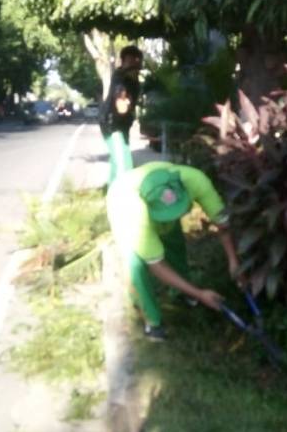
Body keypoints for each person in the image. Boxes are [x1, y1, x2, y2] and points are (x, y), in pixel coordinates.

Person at [106, 161, 242, 341]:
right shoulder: (132, 213)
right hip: (122, 200)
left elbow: (223, 224)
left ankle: (183, 291)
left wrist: (234, 262)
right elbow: (157, 265)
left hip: (156, 201)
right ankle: (152, 321)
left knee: (174, 242)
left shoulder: (196, 180)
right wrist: (200, 294)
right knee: (135, 264)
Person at [99, 45, 143, 185]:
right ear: (123, 62)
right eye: (130, 61)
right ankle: (120, 192)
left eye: (137, 61)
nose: (135, 64)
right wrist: (123, 99)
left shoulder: (135, 81)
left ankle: (112, 189)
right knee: (123, 162)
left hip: (123, 124)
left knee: (120, 158)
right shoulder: (120, 77)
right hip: (112, 124)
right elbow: (121, 103)